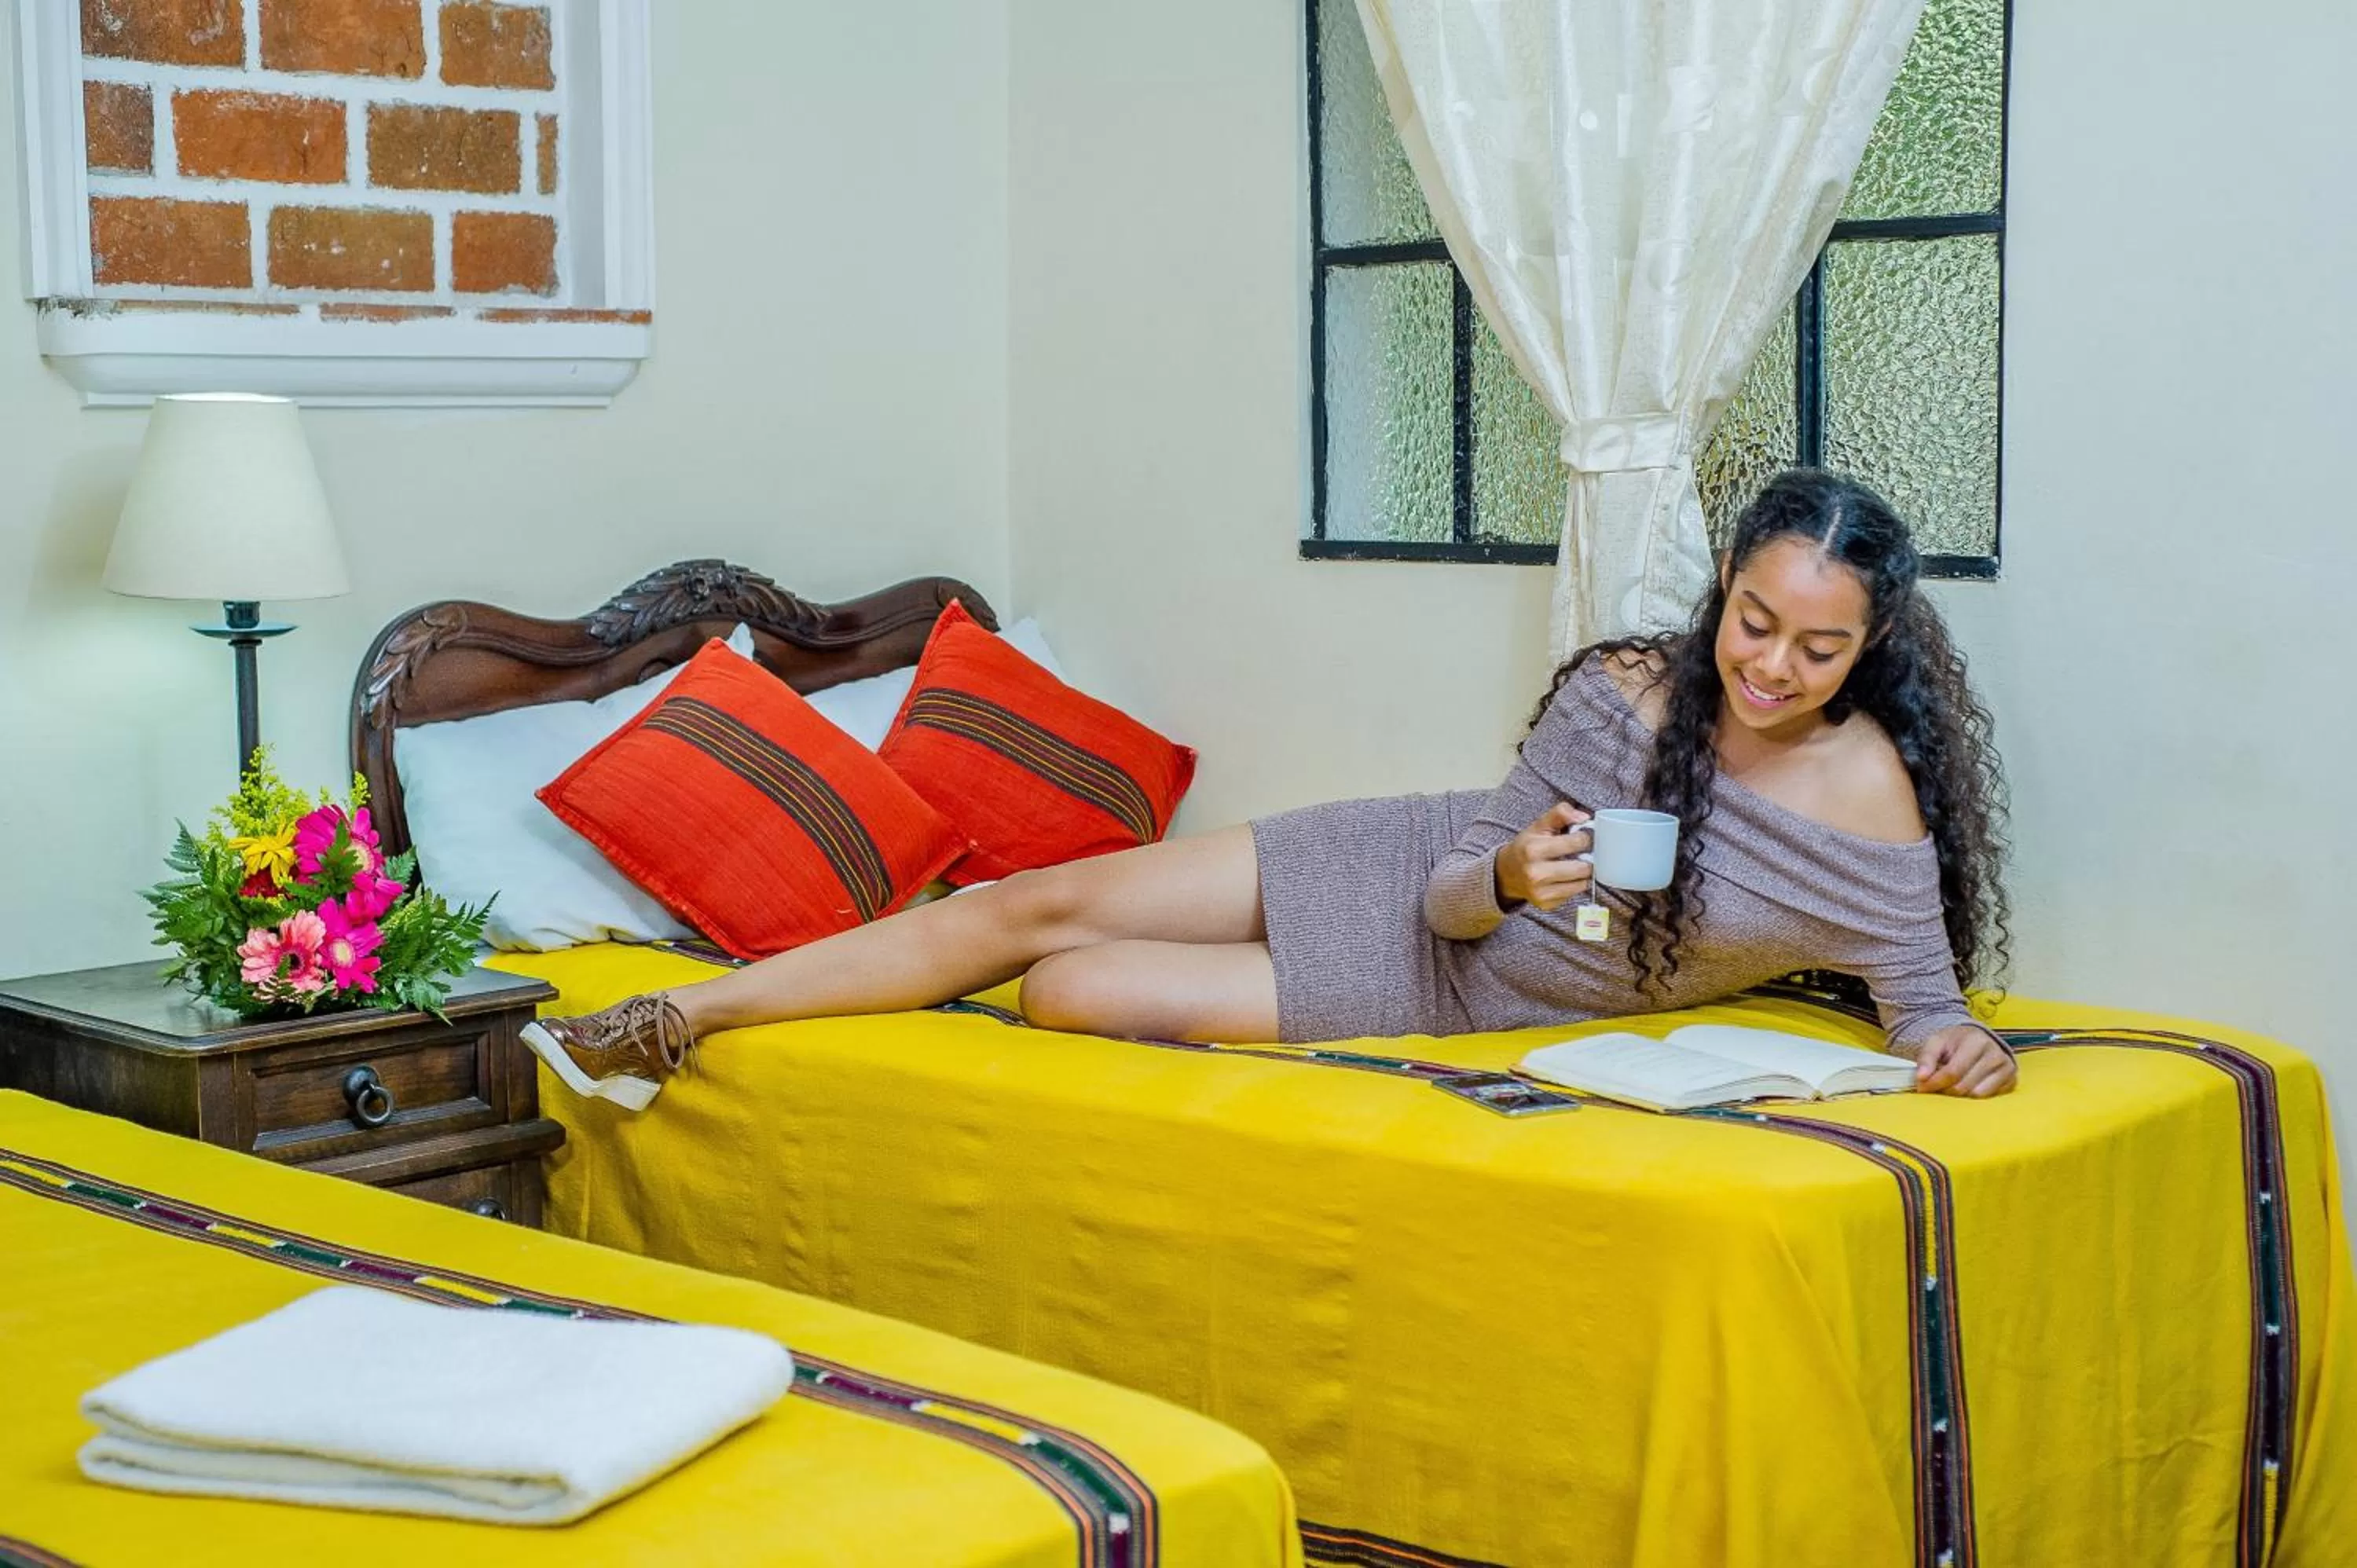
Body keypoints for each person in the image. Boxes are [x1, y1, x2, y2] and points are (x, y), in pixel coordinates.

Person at [522, 469, 2015, 1112]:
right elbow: (1456, 890)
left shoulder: (1868, 794)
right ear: (1724, 594)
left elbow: (1925, 1000)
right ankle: (684, 1015)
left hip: (1439, 999)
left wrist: (1959, 1054)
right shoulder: (1624, 691)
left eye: (1819, 648)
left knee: (1062, 988)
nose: (1771, 666)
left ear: (1873, 653)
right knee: (1027, 899)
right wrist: (1511, 874)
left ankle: (904, 982)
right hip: (1400, 874)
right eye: (1754, 622)